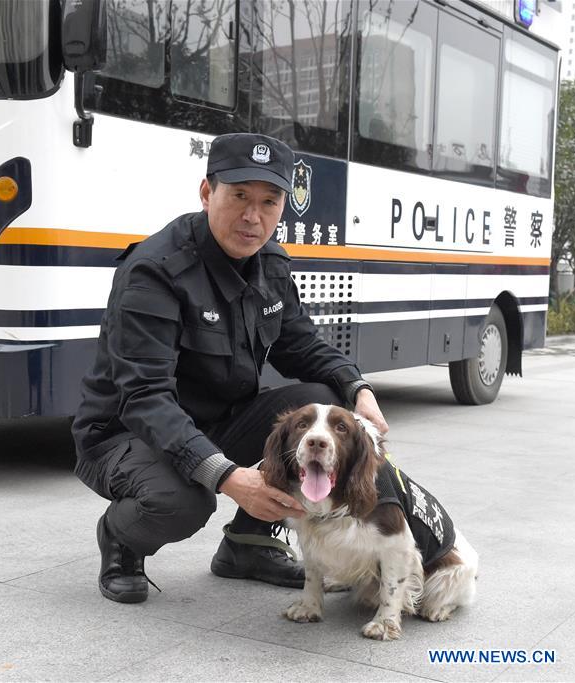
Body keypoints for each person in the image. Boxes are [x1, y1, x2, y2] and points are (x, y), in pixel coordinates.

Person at [72, 132, 388, 604]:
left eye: (269, 201)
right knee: (184, 501)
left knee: (326, 401)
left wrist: (357, 387)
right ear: (207, 192)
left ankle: (248, 544)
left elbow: (302, 346)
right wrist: (229, 478)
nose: (252, 216)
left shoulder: (270, 265)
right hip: (125, 434)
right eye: (239, 196)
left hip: (217, 419)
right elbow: (145, 398)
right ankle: (122, 538)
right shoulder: (154, 271)